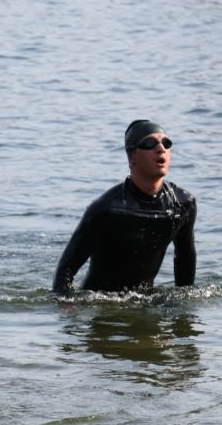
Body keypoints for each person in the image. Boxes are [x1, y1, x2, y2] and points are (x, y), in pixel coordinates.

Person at [52, 120, 196, 296]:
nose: (161, 149)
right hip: (99, 301)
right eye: (150, 143)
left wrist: (183, 307)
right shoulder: (107, 209)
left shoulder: (182, 204)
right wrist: (68, 304)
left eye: (166, 143)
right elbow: (65, 271)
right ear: (132, 157)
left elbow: (185, 261)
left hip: (145, 299)